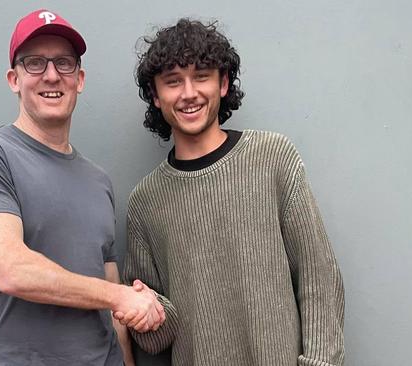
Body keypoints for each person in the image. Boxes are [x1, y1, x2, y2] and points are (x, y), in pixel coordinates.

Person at [119, 18, 345, 365]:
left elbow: (319, 278)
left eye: (202, 76)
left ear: (223, 83)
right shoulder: (145, 202)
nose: (189, 92)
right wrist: (145, 312)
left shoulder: (272, 158)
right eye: (173, 81)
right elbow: (157, 339)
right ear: (155, 95)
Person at [0, 9, 164, 366]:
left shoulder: (99, 181)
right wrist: (120, 296)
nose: (51, 75)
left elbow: (113, 311)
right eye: (35, 63)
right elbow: (10, 270)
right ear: (13, 79)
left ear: (79, 79)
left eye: (63, 63)